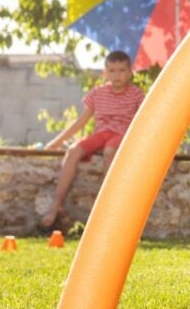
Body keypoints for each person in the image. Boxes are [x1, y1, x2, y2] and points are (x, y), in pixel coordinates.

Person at [40, 50, 145, 230]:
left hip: (122, 135)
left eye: (121, 70)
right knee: (73, 151)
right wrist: (57, 141)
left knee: (110, 151)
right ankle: (57, 203)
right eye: (112, 70)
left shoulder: (136, 95)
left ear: (129, 72)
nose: (117, 75)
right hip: (101, 134)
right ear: (105, 73)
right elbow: (81, 121)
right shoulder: (98, 93)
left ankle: (107, 207)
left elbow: (143, 122)